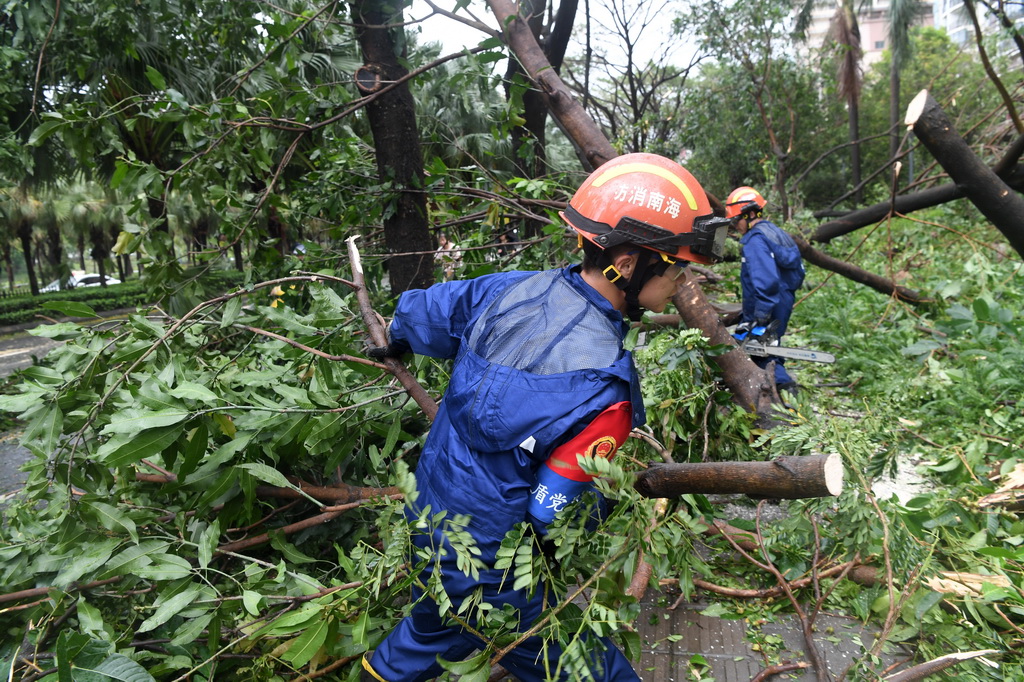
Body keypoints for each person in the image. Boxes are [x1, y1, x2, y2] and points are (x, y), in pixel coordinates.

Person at [363, 153, 729, 682]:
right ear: (628, 265)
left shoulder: (507, 289)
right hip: (491, 570)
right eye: (677, 265)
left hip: (427, 518)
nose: (683, 281)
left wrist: (393, 335)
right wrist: (607, 504)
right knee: (594, 672)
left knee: (426, 631)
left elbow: (419, 315)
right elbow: (550, 513)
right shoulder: (608, 391)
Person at [724, 186, 806, 392]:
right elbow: (798, 273)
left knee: (761, 351)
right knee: (768, 346)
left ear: (750, 213)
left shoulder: (755, 241)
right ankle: (777, 388)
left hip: (767, 303)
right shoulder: (776, 233)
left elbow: (765, 281)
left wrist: (760, 316)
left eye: (737, 221)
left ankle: (784, 388)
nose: (736, 226)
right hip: (781, 301)